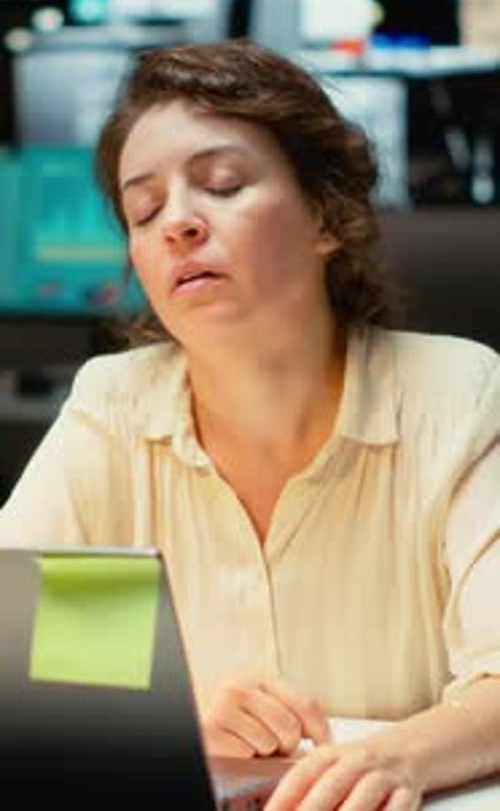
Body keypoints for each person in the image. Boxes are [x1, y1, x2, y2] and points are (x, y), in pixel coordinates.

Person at [0, 39, 499, 810]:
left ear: (325, 216)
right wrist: (182, 707)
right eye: (145, 208)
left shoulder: (455, 394)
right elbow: (26, 661)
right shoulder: (115, 407)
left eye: (221, 184)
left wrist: (398, 757)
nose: (178, 225)